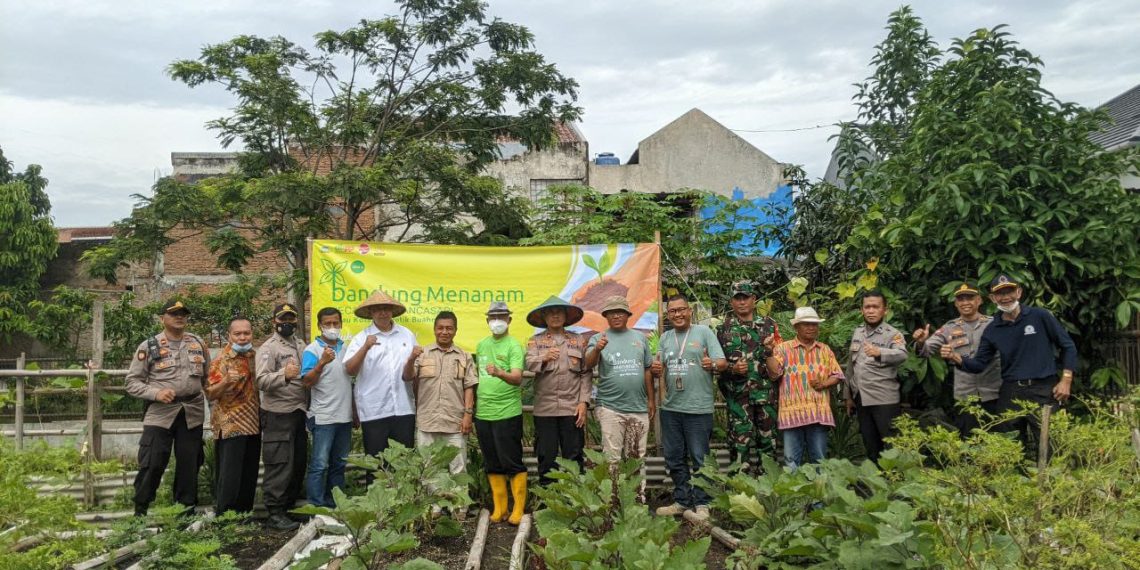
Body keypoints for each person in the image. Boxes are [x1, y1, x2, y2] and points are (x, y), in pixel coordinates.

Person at [942, 275, 1077, 444]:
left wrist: (1066, 380)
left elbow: (1068, 346)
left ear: (1019, 292)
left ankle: (1049, 472)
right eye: (1000, 293)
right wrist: (956, 357)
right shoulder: (992, 329)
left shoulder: (1040, 316)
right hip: (1010, 392)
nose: (1005, 297)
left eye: (1010, 291)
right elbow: (978, 364)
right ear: (993, 298)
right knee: (1009, 445)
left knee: (1049, 442)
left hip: (1043, 389)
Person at [125, 299, 210, 517]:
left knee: (189, 464)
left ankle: (185, 512)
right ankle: (140, 512)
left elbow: (208, 379)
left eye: (183, 313)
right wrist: (156, 393)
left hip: (192, 411)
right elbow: (132, 383)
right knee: (152, 463)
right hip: (160, 414)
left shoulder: (198, 343)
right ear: (163, 318)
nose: (179, 317)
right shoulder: (149, 346)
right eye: (174, 313)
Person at [651, 294, 727, 522]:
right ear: (668, 314)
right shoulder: (664, 337)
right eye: (673, 311)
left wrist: (711, 363)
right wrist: (656, 368)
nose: (677, 314)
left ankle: (702, 502)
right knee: (674, 457)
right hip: (671, 407)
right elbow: (659, 365)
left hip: (698, 408)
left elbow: (722, 362)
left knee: (699, 457)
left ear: (689, 311)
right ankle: (681, 500)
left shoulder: (704, 333)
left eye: (681, 309)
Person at [403, 311, 479, 520]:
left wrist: (467, 415)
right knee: (429, 468)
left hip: (454, 422)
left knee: (458, 467)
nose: (444, 332)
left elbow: (469, 387)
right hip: (427, 421)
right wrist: (411, 358)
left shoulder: (464, 356)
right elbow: (407, 377)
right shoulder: (422, 354)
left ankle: (459, 509)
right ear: (434, 329)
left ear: (455, 330)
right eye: (440, 328)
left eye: (449, 328)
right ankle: (434, 509)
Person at [912, 283, 1002, 437]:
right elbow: (925, 351)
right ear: (955, 303)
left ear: (979, 300)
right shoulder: (949, 328)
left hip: (994, 393)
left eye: (970, 298)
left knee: (997, 440)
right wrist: (920, 342)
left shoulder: (994, 324)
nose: (965, 302)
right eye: (961, 299)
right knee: (969, 439)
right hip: (965, 397)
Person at [765, 307, 845, 469]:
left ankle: (820, 493)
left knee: (820, 461)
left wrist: (824, 384)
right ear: (796, 327)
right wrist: (768, 353)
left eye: (814, 324)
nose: (811, 328)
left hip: (818, 413)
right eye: (806, 324)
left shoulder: (825, 350)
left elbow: (837, 375)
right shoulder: (783, 349)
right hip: (791, 414)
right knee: (791, 461)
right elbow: (774, 373)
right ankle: (793, 494)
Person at [715, 280, 782, 471]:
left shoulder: (769, 325)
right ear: (731, 302)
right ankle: (739, 492)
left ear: (754, 299)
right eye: (737, 298)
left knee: (768, 445)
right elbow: (715, 364)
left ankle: (768, 492)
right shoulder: (722, 329)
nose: (742, 302)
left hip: (766, 397)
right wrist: (732, 369)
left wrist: (770, 351)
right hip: (738, 398)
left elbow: (780, 359)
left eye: (746, 298)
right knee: (738, 446)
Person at [525, 295, 591, 485]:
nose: (555, 316)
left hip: (573, 409)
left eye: (559, 312)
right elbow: (529, 363)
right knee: (546, 456)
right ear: (544, 317)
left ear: (566, 315)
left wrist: (583, 402)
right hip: (545, 409)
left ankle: (577, 503)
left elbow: (586, 372)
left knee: (574, 456)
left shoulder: (578, 340)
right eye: (550, 313)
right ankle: (548, 503)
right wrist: (543, 357)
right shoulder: (535, 342)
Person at [343, 291, 417, 457]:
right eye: (377, 309)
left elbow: (413, 373)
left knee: (405, 462)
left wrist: (412, 360)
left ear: (392, 311)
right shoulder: (360, 338)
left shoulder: (407, 335)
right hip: (374, 410)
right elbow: (350, 370)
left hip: (404, 408)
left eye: (386, 308)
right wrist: (365, 347)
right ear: (370, 313)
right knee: (376, 465)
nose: (383, 313)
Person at [256, 303, 310, 531]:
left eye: (291, 318)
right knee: (279, 463)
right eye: (282, 319)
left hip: (298, 412)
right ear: (274, 322)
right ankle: (274, 512)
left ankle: (288, 508)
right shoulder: (268, 348)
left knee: (297, 463)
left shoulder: (300, 344)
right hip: (278, 414)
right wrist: (283, 375)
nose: (287, 323)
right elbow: (261, 380)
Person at [473, 301, 527, 525]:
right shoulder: (482, 345)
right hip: (483, 413)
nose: (497, 322)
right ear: (487, 321)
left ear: (509, 320)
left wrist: (499, 373)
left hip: (507, 412)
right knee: (492, 462)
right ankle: (500, 508)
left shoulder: (514, 345)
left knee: (512, 461)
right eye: (493, 317)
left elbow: (517, 378)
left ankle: (518, 509)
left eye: (501, 317)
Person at [584, 296, 655, 464]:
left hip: (638, 407)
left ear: (628, 315)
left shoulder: (640, 338)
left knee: (636, 458)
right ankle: (613, 491)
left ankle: (638, 491)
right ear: (606, 316)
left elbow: (647, 369)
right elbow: (588, 363)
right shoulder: (598, 339)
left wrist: (651, 400)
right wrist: (597, 349)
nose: (616, 316)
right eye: (612, 313)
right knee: (612, 458)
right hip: (610, 407)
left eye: (620, 312)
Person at [844, 290, 908, 463]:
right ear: (861, 310)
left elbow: (902, 354)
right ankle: (876, 485)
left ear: (884, 310)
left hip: (884, 400)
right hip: (862, 399)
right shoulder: (858, 332)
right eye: (867, 307)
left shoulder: (892, 334)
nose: (871, 311)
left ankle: (895, 485)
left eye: (875, 307)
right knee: (870, 445)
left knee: (891, 447)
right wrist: (848, 396)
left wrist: (879, 352)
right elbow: (851, 366)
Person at [205, 316, 260, 516]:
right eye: (238, 333)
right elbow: (210, 393)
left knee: (249, 472)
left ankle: (245, 514)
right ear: (229, 335)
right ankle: (225, 517)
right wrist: (226, 381)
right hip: (230, 424)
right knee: (230, 474)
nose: (243, 337)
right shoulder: (221, 359)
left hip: (253, 423)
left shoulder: (255, 356)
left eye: (247, 333)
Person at [300, 308, 354, 508]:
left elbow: (351, 382)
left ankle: (335, 505)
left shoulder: (346, 348)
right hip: (323, 417)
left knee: (339, 464)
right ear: (319, 326)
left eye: (336, 323)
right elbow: (306, 382)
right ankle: (315, 507)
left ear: (341, 323)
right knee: (320, 465)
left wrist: (355, 413)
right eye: (327, 324)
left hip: (344, 417)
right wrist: (321, 363)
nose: (332, 327)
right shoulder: (312, 350)